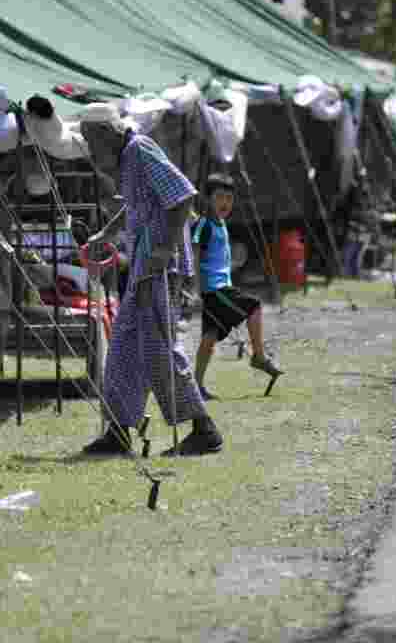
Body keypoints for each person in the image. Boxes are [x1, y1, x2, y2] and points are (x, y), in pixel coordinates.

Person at [79, 115, 223, 457]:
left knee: (159, 348)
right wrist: (107, 234)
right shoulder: (127, 158)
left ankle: (204, 429)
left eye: (93, 140)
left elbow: (183, 196)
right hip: (144, 264)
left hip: (160, 266)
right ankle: (118, 430)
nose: (91, 149)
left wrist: (164, 248)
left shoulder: (140, 149)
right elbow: (136, 205)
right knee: (124, 347)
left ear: (109, 133)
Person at [191, 173, 283, 400]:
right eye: (220, 197)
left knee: (209, 340)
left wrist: (231, 265)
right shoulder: (204, 224)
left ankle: (196, 387)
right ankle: (259, 357)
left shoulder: (220, 224)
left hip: (220, 286)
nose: (225, 203)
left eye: (229, 199)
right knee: (253, 306)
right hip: (214, 290)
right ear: (207, 199)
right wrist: (195, 290)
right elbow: (194, 255)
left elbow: (215, 258)